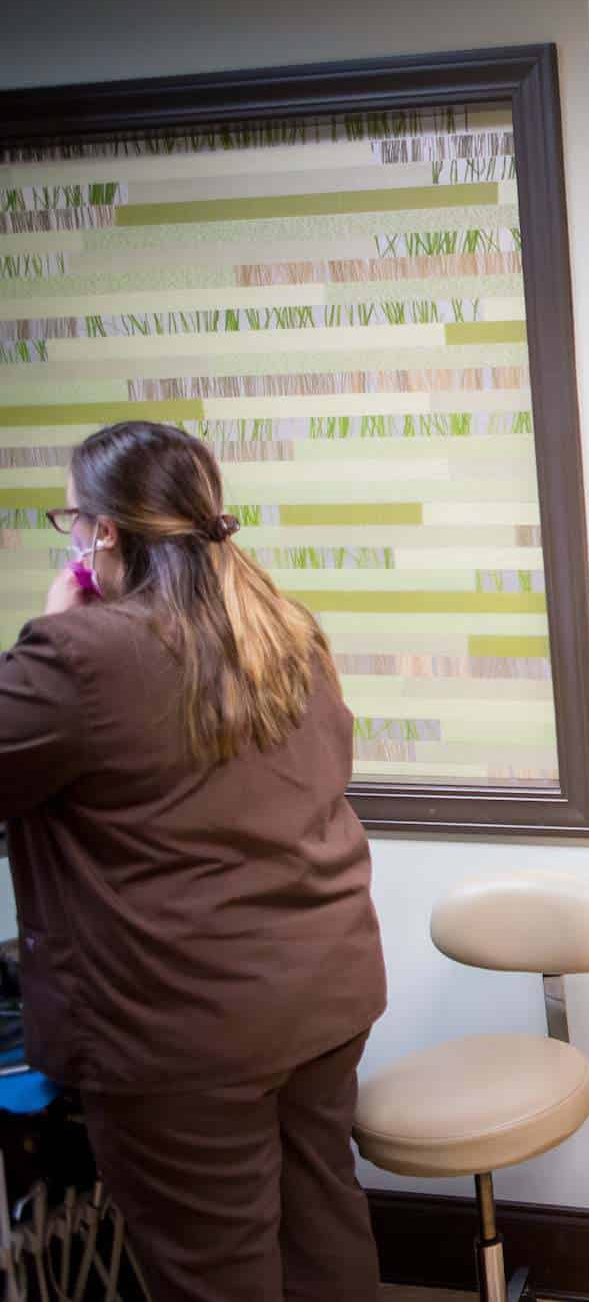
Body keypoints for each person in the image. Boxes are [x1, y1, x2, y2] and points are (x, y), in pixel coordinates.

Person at [0, 421, 388, 1300]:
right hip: (323, 995)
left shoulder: (78, 654)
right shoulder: (284, 630)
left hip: (184, 1028)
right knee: (324, 1238)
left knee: (216, 1274)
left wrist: (50, 625)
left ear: (102, 533)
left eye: (73, 519)